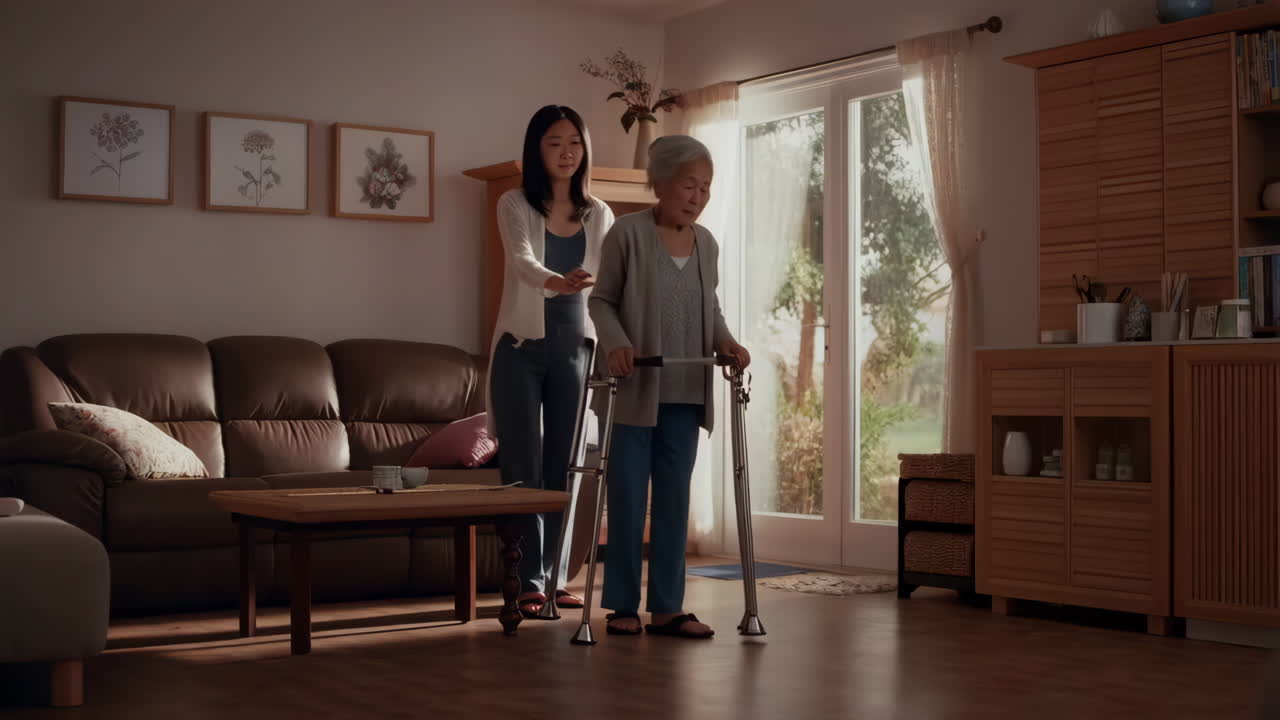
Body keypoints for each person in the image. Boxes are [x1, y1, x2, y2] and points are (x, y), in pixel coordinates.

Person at [588, 134, 751, 639]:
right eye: (689, 185)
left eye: (706, 188)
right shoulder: (627, 234)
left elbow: (711, 309)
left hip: (686, 389)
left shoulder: (708, 243)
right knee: (630, 498)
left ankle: (667, 608)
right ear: (660, 184)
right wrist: (615, 344)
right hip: (635, 388)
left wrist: (726, 342)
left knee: (675, 501)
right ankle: (620, 606)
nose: (698, 196)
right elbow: (602, 301)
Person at [489, 105, 615, 618]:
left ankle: (557, 577)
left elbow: (607, 274)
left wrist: (587, 285)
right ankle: (525, 580)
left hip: (574, 350)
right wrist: (555, 281)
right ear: (535, 150)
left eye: (575, 143)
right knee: (523, 468)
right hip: (520, 348)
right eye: (554, 143)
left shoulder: (600, 213)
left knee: (565, 468)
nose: (566, 153)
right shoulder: (513, 202)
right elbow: (520, 260)